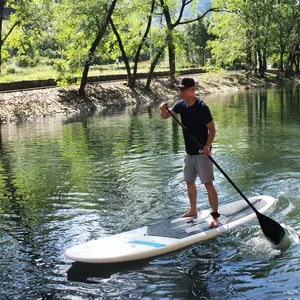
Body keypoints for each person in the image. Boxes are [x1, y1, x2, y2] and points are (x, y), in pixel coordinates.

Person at [160, 77, 219, 228]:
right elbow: (166, 116)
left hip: (202, 152)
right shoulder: (180, 105)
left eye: (184, 89)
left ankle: (215, 217)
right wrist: (163, 109)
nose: (181, 92)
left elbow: (212, 129)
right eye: (180, 89)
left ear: (193, 89)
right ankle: (193, 210)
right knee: (189, 182)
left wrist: (207, 146)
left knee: (208, 184)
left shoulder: (202, 107)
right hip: (189, 153)